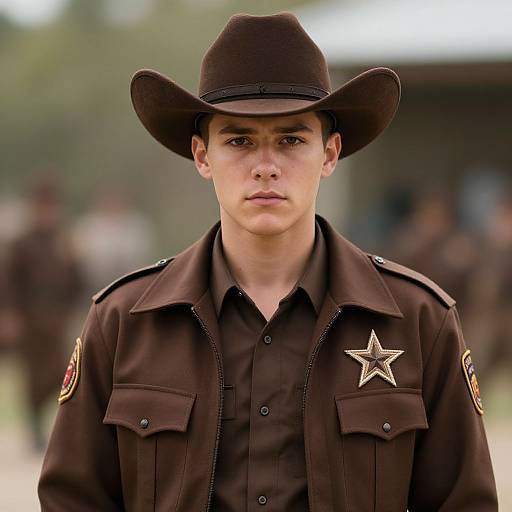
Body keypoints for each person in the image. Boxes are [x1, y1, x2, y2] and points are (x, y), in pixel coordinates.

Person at [38, 12, 498, 511]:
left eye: (291, 139)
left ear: (330, 153)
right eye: (238, 140)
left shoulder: (418, 321)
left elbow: (464, 502)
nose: (265, 166)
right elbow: (73, 499)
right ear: (201, 156)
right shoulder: (124, 323)